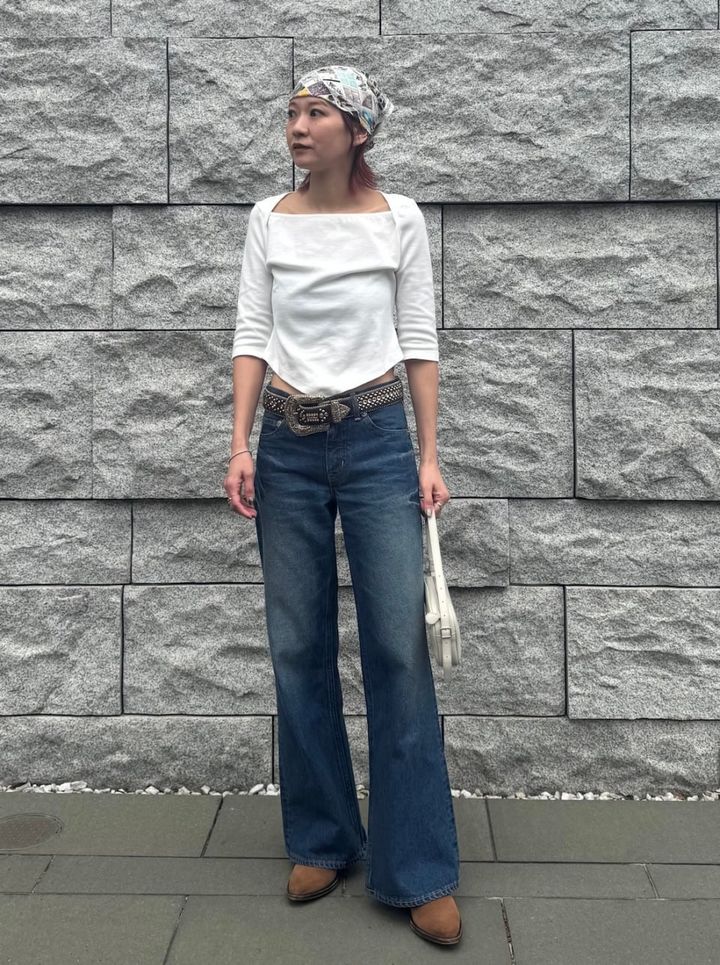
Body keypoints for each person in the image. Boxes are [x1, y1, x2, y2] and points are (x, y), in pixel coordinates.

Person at [223, 64, 462, 947]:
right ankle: (323, 838)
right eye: (292, 110)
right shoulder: (268, 218)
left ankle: (418, 867)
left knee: (398, 648)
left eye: (317, 112)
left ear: (357, 130)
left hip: (375, 440)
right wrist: (240, 443)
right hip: (286, 443)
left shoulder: (400, 219)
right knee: (297, 645)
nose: (298, 125)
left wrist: (428, 454)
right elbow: (252, 331)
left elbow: (418, 340)